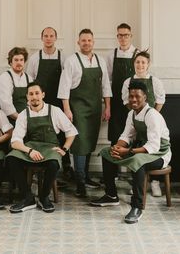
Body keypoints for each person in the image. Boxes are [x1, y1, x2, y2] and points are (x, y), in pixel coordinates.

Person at [90, 81, 171, 224]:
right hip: (141, 151)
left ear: (145, 97)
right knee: (106, 152)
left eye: (137, 96)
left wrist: (127, 151)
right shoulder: (131, 114)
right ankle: (111, 195)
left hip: (160, 154)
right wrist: (116, 148)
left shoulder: (152, 115)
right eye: (131, 96)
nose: (133, 99)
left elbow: (154, 145)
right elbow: (126, 136)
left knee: (137, 161)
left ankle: (137, 207)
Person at [7, 81, 77, 213]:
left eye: (37, 93)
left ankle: (44, 197)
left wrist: (64, 149)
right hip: (31, 147)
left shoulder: (54, 110)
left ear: (43, 94)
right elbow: (15, 141)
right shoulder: (23, 114)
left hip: (50, 148)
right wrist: (30, 151)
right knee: (11, 159)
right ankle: (28, 197)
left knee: (53, 164)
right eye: (31, 94)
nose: (34, 97)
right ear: (27, 97)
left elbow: (71, 131)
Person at [58, 28, 112, 196]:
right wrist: (66, 109)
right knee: (80, 144)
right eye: (83, 40)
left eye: (89, 40)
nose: (86, 43)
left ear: (93, 42)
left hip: (95, 108)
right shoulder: (71, 61)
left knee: (89, 142)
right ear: (78, 42)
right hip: (77, 108)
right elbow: (64, 87)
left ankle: (86, 176)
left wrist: (107, 107)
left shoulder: (100, 61)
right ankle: (80, 182)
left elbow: (106, 86)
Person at [26, 27, 73, 179]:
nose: (48, 38)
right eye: (45, 36)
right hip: (40, 101)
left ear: (55, 38)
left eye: (51, 35)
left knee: (61, 133)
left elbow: (67, 81)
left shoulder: (63, 57)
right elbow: (30, 81)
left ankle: (66, 166)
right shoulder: (34, 58)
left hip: (59, 101)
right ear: (42, 38)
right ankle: (39, 162)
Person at [122, 50, 166, 196]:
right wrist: (137, 115)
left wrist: (152, 117)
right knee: (135, 150)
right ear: (133, 63)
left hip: (152, 121)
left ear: (148, 64)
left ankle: (154, 183)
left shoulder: (155, 81)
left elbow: (160, 101)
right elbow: (127, 102)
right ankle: (138, 183)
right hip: (137, 122)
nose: (140, 65)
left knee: (153, 149)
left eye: (143, 62)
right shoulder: (127, 82)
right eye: (137, 62)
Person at [106, 23, 137, 146]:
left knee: (133, 132)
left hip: (134, 100)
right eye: (120, 35)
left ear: (131, 36)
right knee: (116, 134)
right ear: (117, 37)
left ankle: (132, 163)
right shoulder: (111, 55)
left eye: (126, 35)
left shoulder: (138, 54)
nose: (123, 38)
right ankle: (113, 163)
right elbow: (107, 81)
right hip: (116, 102)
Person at [0, 47, 33, 124]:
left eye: (21, 60)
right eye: (16, 60)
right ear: (10, 62)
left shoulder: (29, 78)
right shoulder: (4, 78)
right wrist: (22, 120)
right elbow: (6, 105)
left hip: (27, 118)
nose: (19, 62)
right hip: (9, 119)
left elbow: (32, 100)